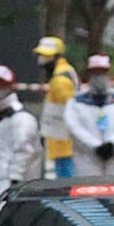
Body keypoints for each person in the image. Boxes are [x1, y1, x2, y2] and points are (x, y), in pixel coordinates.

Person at [64, 55, 114, 177]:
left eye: (103, 73)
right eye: (95, 73)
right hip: (86, 157)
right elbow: (73, 126)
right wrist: (95, 145)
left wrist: (112, 143)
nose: (99, 77)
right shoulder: (76, 102)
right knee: (88, 190)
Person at [0, 65, 41, 208]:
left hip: (12, 190)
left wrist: (15, 180)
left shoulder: (22, 119)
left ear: (10, 87)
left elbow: (25, 152)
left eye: (0, 85)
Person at [35, 36, 79, 178]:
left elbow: (69, 109)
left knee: (66, 179)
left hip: (63, 137)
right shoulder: (64, 71)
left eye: (45, 56)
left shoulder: (60, 80)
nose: (41, 59)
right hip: (61, 136)